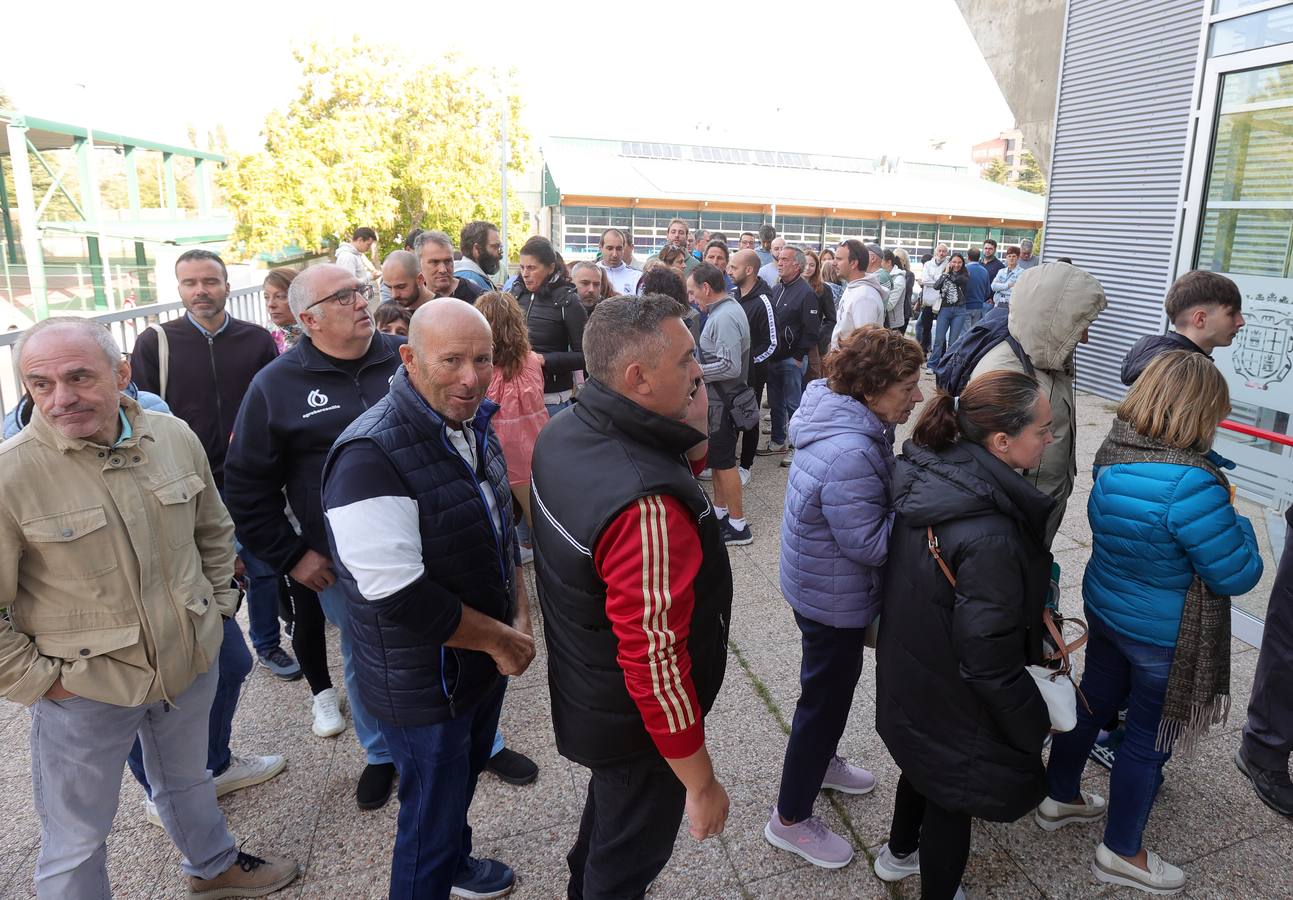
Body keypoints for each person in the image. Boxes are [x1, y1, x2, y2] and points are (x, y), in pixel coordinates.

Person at [0, 317, 298, 899]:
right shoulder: (11, 475)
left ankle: (213, 869)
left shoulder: (172, 436)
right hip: (83, 690)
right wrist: (42, 682)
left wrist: (215, 613)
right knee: (77, 836)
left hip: (186, 661)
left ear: (121, 373)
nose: (61, 398)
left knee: (189, 782)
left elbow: (214, 531)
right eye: (40, 383)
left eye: (79, 377)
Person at [322, 299, 535, 900]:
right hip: (425, 682)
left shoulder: (470, 422)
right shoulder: (369, 456)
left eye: (482, 359)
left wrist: (516, 618)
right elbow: (400, 597)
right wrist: (503, 640)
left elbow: (500, 530)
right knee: (428, 824)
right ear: (410, 359)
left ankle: (458, 865)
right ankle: (438, 872)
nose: (471, 376)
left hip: (475, 664)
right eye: (452, 361)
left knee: (455, 793)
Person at [530, 294, 733, 900]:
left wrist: (689, 434)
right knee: (626, 861)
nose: (698, 371)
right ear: (637, 378)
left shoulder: (564, 430)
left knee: (609, 823)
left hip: (591, 690)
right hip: (637, 724)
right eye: (686, 360)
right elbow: (656, 660)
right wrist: (700, 780)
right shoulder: (647, 504)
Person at [1041, 351, 1263, 894]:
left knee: (1092, 702)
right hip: (1165, 636)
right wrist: (1243, 525)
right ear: (1200, 412)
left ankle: (1058, 795)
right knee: (1147, 738)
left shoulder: (1114, 453)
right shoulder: (1194, 482)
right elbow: (1235, 574)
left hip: (1109, 610)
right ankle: (1121, 851)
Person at [224, 264, 402, 811]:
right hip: (342, 560)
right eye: (344, 295)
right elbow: (246, 485)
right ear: (309, 319)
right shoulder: (276, 385)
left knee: (451, 643)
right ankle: (380, 755)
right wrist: (291, 554)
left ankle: (481, 740)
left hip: (431, 538)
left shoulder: (404, 356)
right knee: (366, 651)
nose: (360, 301)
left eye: (361, 291)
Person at [874, 370, 1057, 899]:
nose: (1050, 439)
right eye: (1043, 430)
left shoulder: (935, 471)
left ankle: (897, 853)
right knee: (953, 794)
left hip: (916, 667)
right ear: (1001, 441)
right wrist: (1032, 722)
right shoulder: (991, 531)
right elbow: (987, 656)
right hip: (957, 686)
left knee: (922, 765)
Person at [128, 249, 290, 808]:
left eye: (210, 281)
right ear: (178, 287)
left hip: (249, 479)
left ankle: (268, 644)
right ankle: (178, 780)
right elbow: (138, 414)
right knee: (206, 626)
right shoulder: (158, 343)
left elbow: (275, 402)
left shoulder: (255, 340)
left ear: (226, 285)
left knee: (263, 570)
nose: (200, 290)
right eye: (189, 282)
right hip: (182, 493)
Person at [766, 326, 924, 869]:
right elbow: (873, 544)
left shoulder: (840, 411)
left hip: (818, 582)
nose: (918, 397)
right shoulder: (853, 449)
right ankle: (789, 818)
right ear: (872, 388)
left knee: (830, 691)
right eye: (908, 386)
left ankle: (824, 762)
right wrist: (920, 513)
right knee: (824, 700)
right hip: (832, 596)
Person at [969, 263, 1108, 544]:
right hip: (1014, 527)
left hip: (1038, 513)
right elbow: (988, 471)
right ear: (1053, 320)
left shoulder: (1049, 361)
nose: (1085, 337)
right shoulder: (1004, 371)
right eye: (1079, 327)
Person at [688, 262, 753, 546]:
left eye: (692, 292)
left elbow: (729, 365)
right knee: (718, 459)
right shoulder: (725, 309)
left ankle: (739, 526)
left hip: (724, 403)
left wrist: (696, 370)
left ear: (706, 288)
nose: (691, 298)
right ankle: (720, 512)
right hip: (721, 401)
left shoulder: (724, 316)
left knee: (725, 463)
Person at [476, 290, 549, 535]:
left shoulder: (481, 370)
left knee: (497, 524)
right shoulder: (532, 362)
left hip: (493, 454)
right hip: (534, 451)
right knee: (538, 523)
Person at [1121, 270, 1246, 385]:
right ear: (1200, 319)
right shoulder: (1187, 374)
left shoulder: (1152, 355)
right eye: (1231, 313)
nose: (1241, 322)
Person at [759, 246, 821, 463]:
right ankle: (778, 441)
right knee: (775, 402)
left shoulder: (807, 293)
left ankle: (797, 446)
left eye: (785, 259)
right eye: (779, 259)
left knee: (794, 405)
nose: (780, 262)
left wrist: (798, 356)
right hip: (773, 358)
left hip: (791, 360)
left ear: (797, 265)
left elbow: (812, 330)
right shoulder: (776, 289)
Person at [514, 236, 587, 416]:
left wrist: (546, 360)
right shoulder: (514, 295)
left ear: (550, 268)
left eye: (532, 268)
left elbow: (586, 356)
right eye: (522, 267)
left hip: (552, 400)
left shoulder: (568, 301)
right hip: (516, 396)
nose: (525, 273)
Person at [731, 249, 778, 484]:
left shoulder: (763, 301)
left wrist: (747, 365)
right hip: (731, 374)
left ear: (749, 270)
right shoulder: (733, 295)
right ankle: (728, 460)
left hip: (752, 376)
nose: (729, 271)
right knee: (729, 417)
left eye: (734, 267)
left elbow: (771, 344)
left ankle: (746, 466)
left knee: (749, 418)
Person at [832, 240, 885, 348]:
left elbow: (865, 346)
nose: (833, 263)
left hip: (852, 364)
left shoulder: (864, 297)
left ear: (853, 263)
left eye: (839, 259)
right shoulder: (853, 288)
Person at [416, 230, 484, 303]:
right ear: (419, 264)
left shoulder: (477, 297)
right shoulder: (411, 298)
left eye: (448, 261)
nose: (443, 270)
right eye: (435, 262)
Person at [928, 252, 969, 366]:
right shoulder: (945, 273)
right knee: (939, 340)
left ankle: (948, 365)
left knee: (953, 341)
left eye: (959, 262)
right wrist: (945, 273)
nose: (956, 265)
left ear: (963, 263)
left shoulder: (965, 274)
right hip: (944, 310)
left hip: (959, 310)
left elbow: (957, 280)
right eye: (954, 262)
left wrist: (946, 274)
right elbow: (936, 286)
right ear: (950, 262)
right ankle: (932, 364)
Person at [802, 249, 835, 384]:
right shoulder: (788, 285)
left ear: (817, 267)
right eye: (805, 264)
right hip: (793, 342)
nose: (808, 268)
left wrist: (819, 336)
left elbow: (831, 318)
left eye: (812, 265)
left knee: (812, 378)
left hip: (814, 344)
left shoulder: (824, 289)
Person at [918, 243, 950, 352]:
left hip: (941, 302)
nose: (941, 253)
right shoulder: (928, 264)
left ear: (947, 253)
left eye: (944, 251)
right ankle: (924, 352)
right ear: (936, 251)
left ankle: (941, 353)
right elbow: (925, 280)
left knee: (941, 330)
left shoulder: (948, 264)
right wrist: (938, 279)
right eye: (939, 251)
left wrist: (932, 279)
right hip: (927, 301)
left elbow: (945, 282)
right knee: (926, 329)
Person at [264, 267, 304, 352]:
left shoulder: (317, 336)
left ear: (299, 297)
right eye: (266, 297)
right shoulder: (264, 335)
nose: (270, 304)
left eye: (280, 296)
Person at [456, 220, 503, 292]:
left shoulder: (471, 277)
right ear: (477, 249)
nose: (500, 254)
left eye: (499, 247)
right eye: (495, 247)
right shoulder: (469, 281)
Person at [598, 227, 641, 295]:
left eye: (619, 249)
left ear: (623, 249)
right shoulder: (589, 274)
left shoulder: (637, 277)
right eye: (610, 249)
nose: (615, 254)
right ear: (600, 248)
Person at [883, 249, 914, 333]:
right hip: (887, 319)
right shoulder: (884, 275)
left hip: (898, 318)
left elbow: (890, 304)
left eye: (901, 259)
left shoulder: (902, 276)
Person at [964, 248, 992, 329]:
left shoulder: (964, 270)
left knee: (964, 333)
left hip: (966, 305)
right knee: (973, 332)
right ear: (979, 257)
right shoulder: (984, 271)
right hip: (979, 305)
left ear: (968, 257)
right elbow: (987, 291)